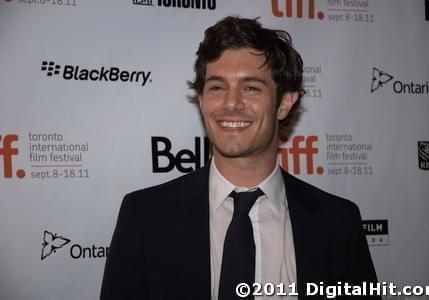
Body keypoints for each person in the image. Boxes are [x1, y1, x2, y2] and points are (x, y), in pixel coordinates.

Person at [100, 16, 380, 300]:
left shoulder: (338, 223)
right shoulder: (145, 217)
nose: (231, 104)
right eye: (217, 87)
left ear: (284, 103)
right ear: (201, 100)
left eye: (251, 88)